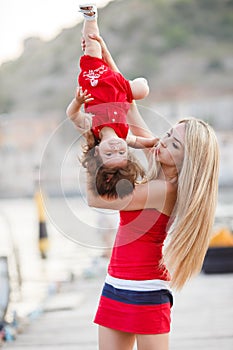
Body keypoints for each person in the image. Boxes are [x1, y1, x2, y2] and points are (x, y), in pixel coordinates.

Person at [83, 35, 220, 350]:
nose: (162, 141)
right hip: (116, 283)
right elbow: (129, 104)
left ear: (189, 162)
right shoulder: (159, 162)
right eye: (168, 133)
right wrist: (104, 55)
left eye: (173, 144)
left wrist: (94, 142)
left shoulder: (162, 189)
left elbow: (94, 199)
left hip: (145, 293)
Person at [66, 2, 158, 198]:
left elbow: (71, 115)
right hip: (121, 88)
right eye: (122, 153)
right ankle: (137, 83)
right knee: (141, 89)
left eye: (109, 154)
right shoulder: (125, 136)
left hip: (97, 80)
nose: (116, 149)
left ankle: (90, 17)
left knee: (92, 43)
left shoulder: (93, 127)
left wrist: (78, 101)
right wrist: (155, 141)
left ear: (97, 152)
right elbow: (141, 142)